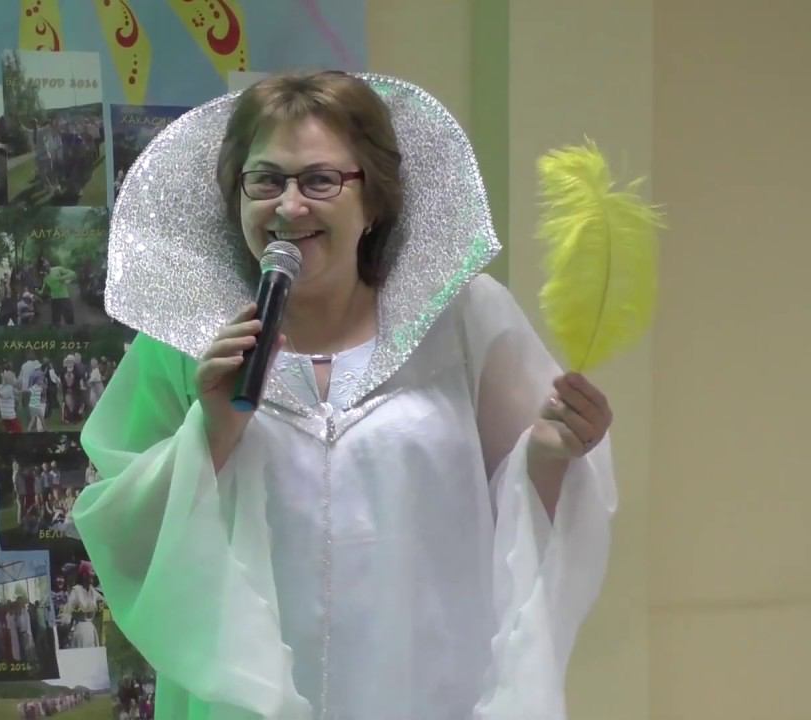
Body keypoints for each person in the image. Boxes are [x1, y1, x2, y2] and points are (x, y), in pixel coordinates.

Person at [72, 71, 617, 719]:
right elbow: (125, 533)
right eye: (265, 180)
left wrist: (552, 455)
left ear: (374, 200)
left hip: (426, 690)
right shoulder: (185, 341)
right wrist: (213, 427)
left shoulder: (462, 319)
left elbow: (528, 515)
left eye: (320, 181)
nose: (289, 206)